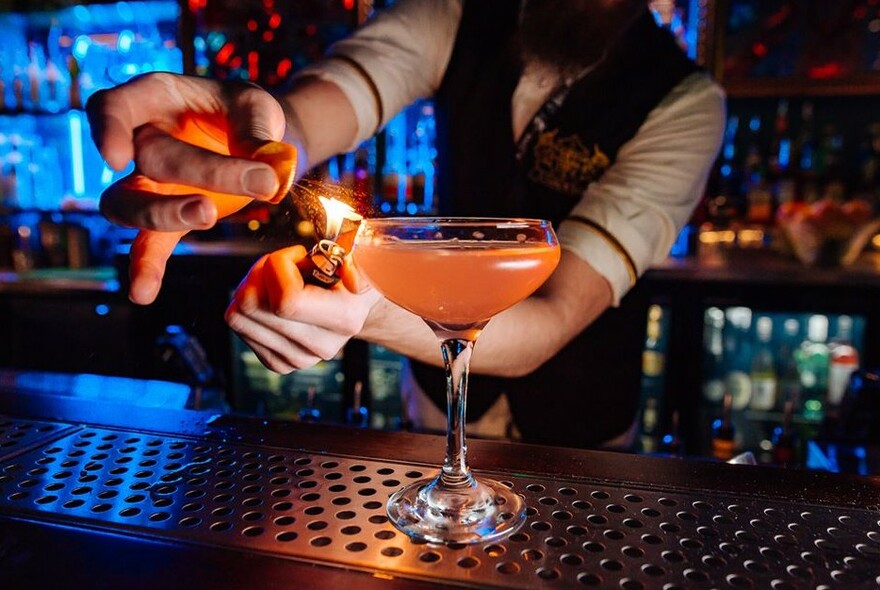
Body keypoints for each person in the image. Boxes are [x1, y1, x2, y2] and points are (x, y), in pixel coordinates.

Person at [88, 0, 725, 449]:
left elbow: (552, 316)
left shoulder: (687, 101)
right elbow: (326, 105)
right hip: (433, 405)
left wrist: (369, 309)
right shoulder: (453, 14)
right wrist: (255, 139)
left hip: (584, 436)